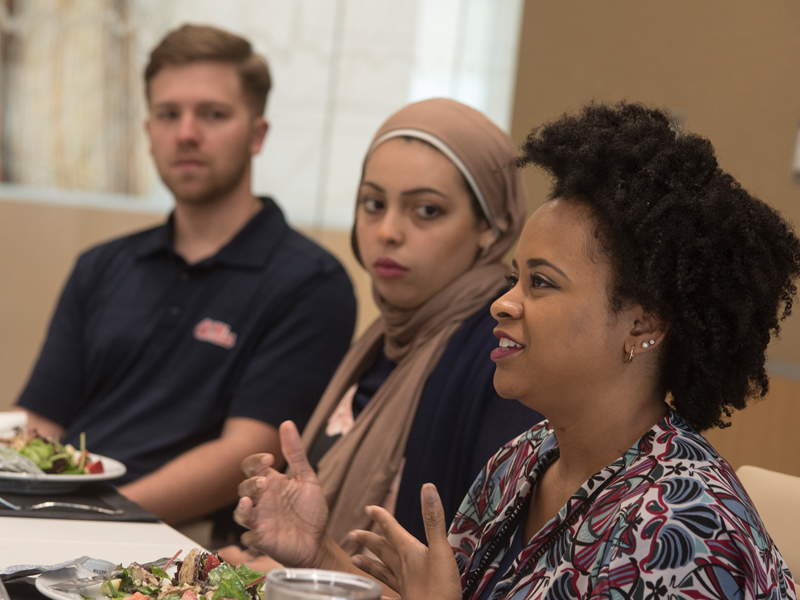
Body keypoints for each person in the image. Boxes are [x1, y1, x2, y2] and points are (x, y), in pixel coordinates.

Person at [235, 102, 799, 599]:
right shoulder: (526, 459)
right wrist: (316, 554)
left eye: (542, 283)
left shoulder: (682, 526)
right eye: (514, 278)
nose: (503, 304)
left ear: (642, 322)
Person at [14, 24, 356, 527]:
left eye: (213, 114)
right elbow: (41, 423)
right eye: (168, 114)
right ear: (149, 131)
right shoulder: (101, 265)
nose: (187, 133)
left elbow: (245, 456)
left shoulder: (312, 284)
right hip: (56, 515)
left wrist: (92, 516)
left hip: (182, 542)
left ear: (257, 134)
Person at [221, 98, 543, 565]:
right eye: (373, 204)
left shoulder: (501, 355)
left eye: (426, 210)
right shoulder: (381, 341)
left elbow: (477, 573)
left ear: (490, 228)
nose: (388, 231)